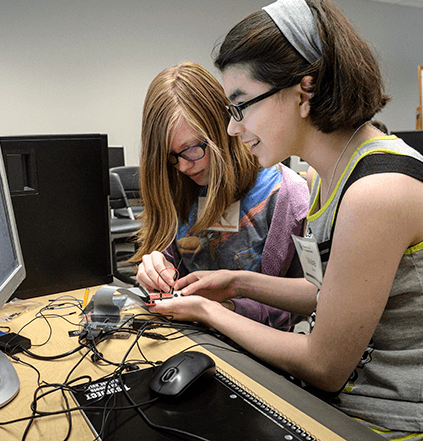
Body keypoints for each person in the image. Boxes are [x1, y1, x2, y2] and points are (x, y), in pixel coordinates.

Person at [147, 0, 423, 440]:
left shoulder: (376, 193)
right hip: (341, 406)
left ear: (304, 90)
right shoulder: (334, 173)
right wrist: (237, 282)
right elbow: (326, 294)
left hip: (394, 426)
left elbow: (324, 366)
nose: (232, 128)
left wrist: (208, 311)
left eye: (241, 105)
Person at [132, 61, 309, 331]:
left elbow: (307, 303)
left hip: (261, 350)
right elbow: (168, 262)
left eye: (191, 149)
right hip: (187, 335)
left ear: (223, 128)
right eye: (170, 157)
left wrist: (225, 310)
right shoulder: (178, 184)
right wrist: (155, 268)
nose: (182, 166)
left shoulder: (286, 195)